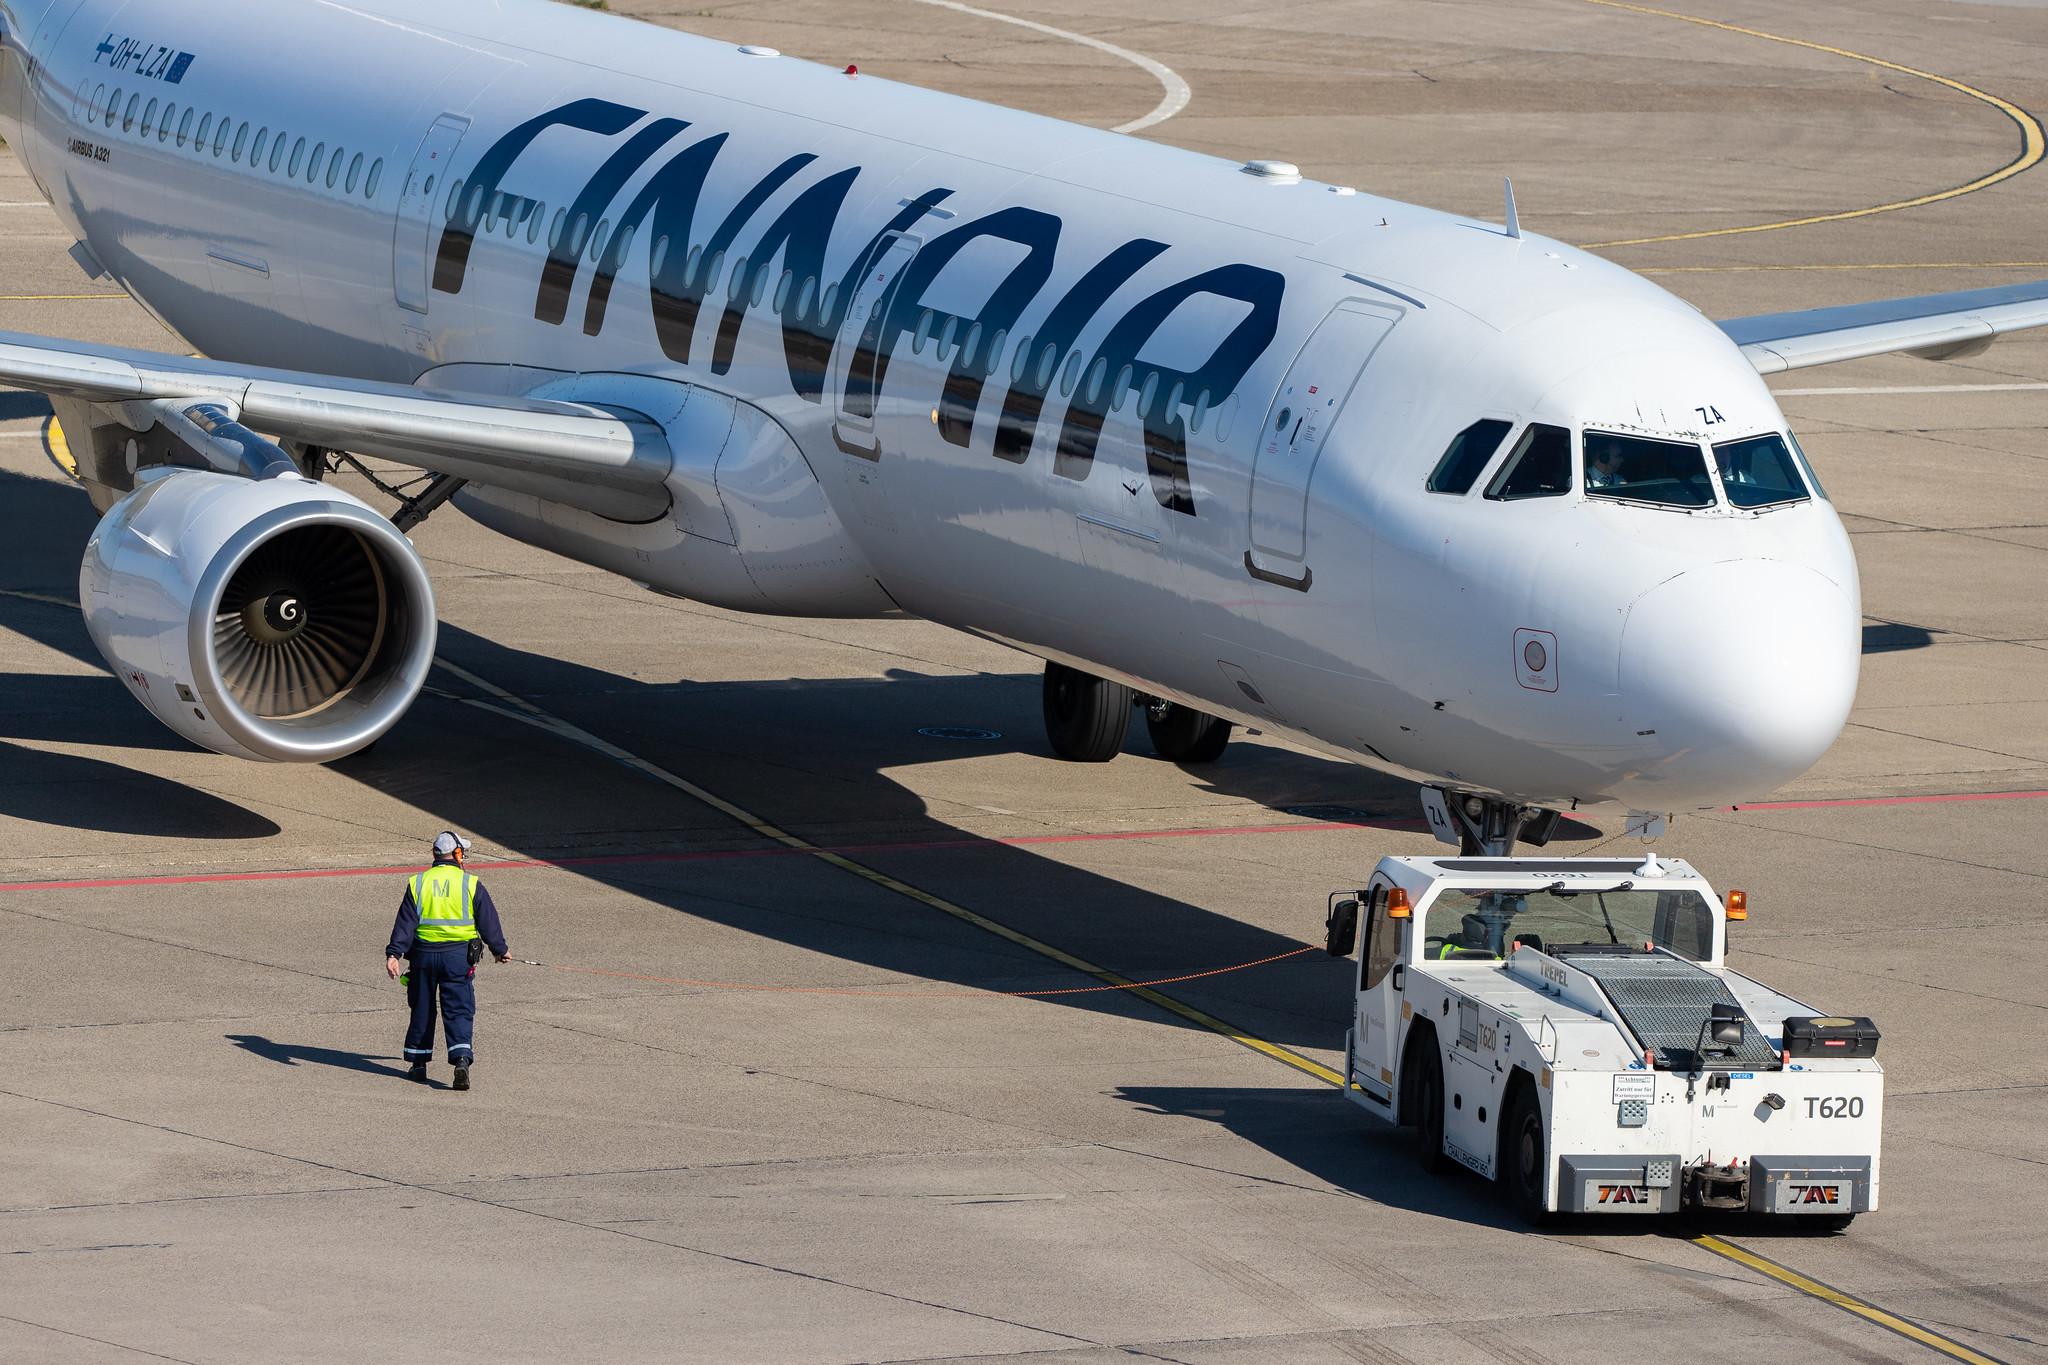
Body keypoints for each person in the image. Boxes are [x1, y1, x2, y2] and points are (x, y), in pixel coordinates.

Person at [385, 831, 509, 1090]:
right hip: (457, 958)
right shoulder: (470, 883)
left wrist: (394, 954)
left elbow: (405, 923)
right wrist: (499, 950)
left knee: (422, 1008)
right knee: (459, 1009)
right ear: (457, 855)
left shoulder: (418, 883)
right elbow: (488, 921)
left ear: (434, 854)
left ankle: (418, 1064)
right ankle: (461, 1060)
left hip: (423, 958)